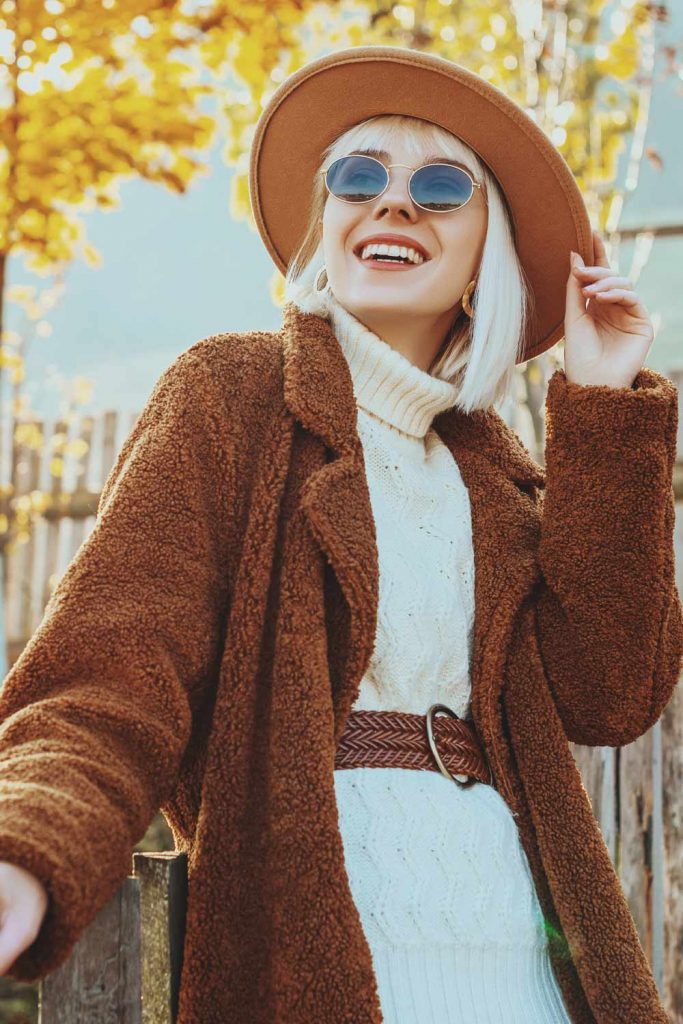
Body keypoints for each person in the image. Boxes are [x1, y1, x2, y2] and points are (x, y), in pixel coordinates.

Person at [0, 45, 680, 1024]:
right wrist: (25, 841)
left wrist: (602, 405)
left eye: (440, 186)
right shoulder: (229, 397)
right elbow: (107, 678)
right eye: (359, 176)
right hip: (315, 934)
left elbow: (609, 691)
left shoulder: (497, 475)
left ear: (484, 252)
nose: (392, 204)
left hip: (515, 939)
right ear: (328, 222)